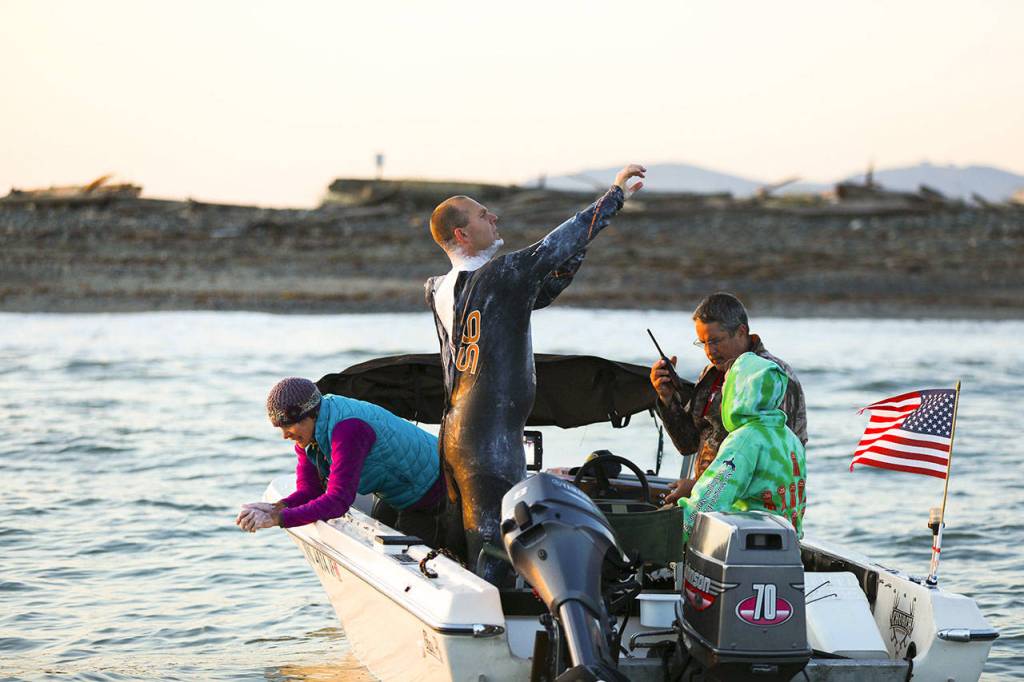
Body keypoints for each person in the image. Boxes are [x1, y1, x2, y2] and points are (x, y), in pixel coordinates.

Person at [426, 164, 646, 583]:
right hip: (491, 441)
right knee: (497, 552)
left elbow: (544, 289)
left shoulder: (437, 287)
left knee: (465, 545)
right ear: (462, 234)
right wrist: (614, 196)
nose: (494, 219)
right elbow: (554, 245)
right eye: (483, 215)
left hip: (454, 434)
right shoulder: (503, 274)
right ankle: (495, 639)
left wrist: (575, 251)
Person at [235, 377, 446, 545]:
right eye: (280, 428)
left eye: (288, 426)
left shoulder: (348, 430)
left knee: (402, 552)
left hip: (436, 491)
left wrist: (277, 520)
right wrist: (275, 508)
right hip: (399, 493)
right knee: (381, 525)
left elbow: (338, 501)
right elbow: (311, 491)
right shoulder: (311, 434)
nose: (285, 435)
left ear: (310, 415)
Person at [650, 292, 807, 504]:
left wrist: (698, 486)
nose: (709, 351)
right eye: (703, 342)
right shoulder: (711, 374)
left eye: (715, 341)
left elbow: (781, 461)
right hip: (707, 502)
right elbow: (689, 444)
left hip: (749, 509)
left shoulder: (771, 376)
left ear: (741, 332)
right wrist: (668, 399)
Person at [677, 352, 807, 543]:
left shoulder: (745, 440)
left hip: (748, 547)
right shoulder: (790, 438)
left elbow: (708, 501)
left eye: (727, 387)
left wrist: (673, 532)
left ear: (739, 392)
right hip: (788, 546)